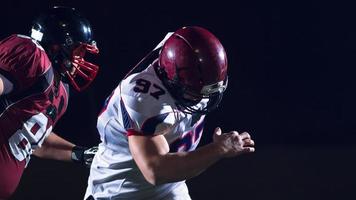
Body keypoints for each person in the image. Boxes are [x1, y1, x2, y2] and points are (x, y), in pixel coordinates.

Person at [85, 26, 255, 200]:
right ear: (172, 80)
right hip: (120, 192)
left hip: (169, 190)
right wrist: (219, 149)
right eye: (194, 93)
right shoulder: (143, 98)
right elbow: (155, 171)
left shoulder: (182, 57)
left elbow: (187, 46)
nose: (202, 99)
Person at [0, 6, 99, 199]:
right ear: (58, 45)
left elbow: (36, 140)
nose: (81, 59)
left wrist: (80, 153)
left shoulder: (61, 93)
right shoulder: (32, 54)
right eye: (79, 50)